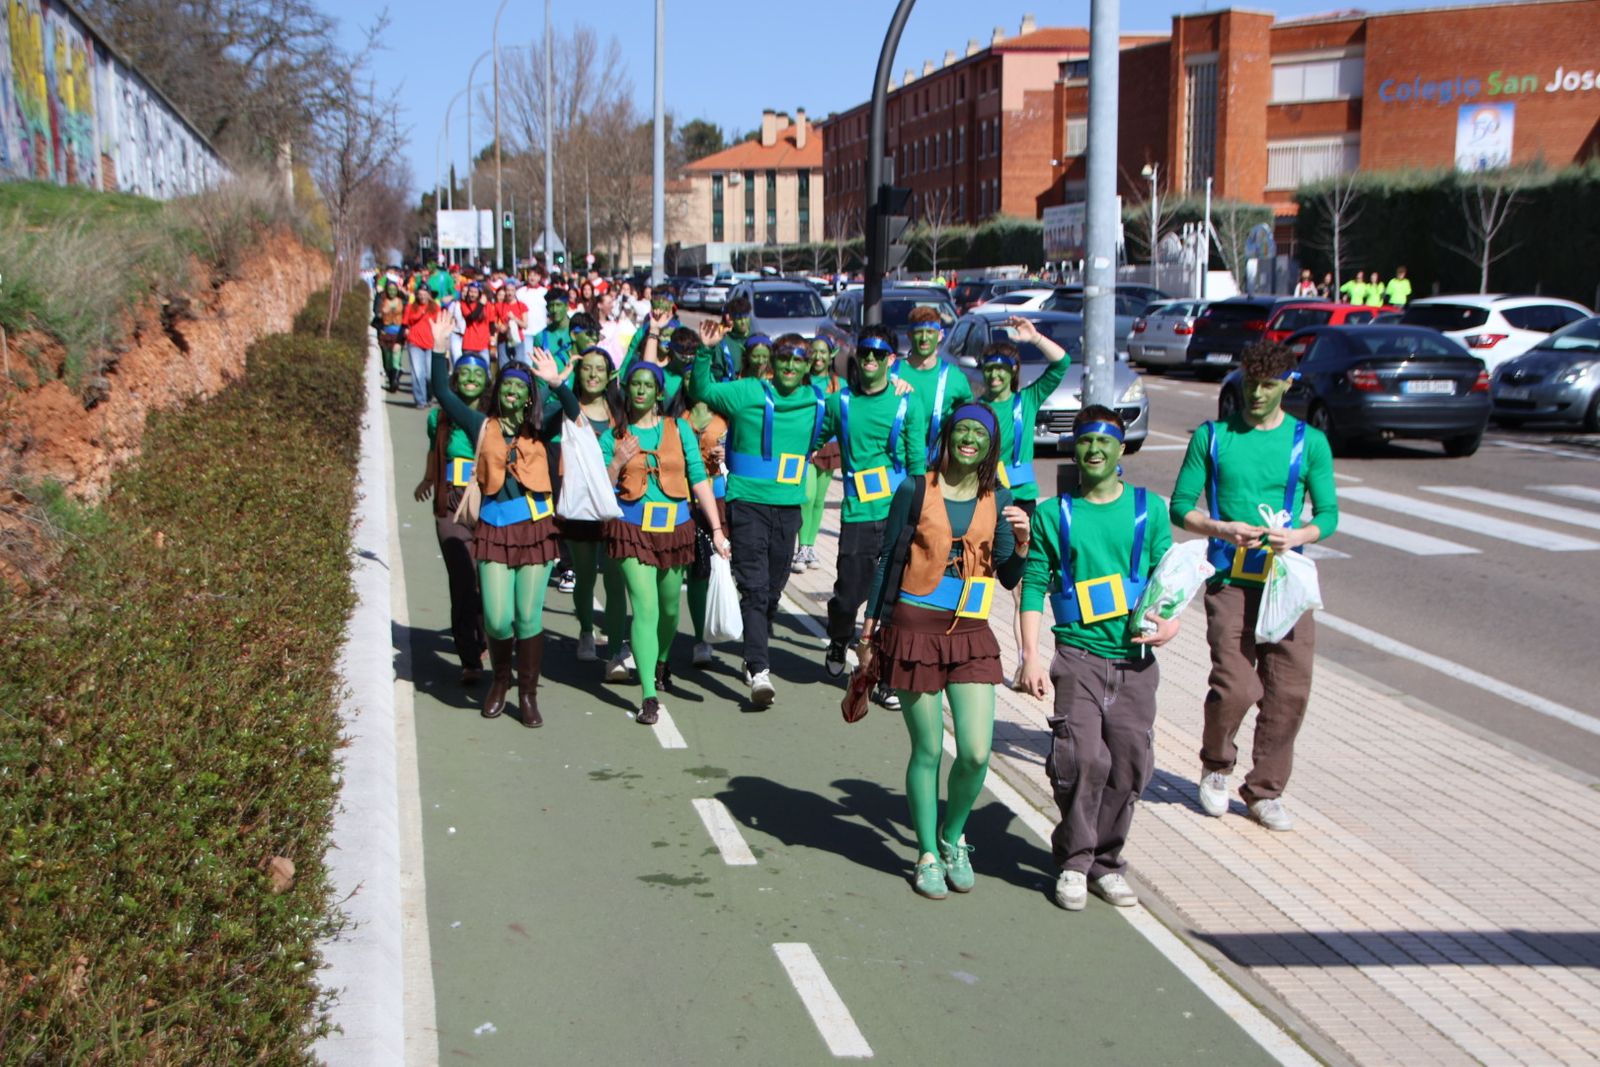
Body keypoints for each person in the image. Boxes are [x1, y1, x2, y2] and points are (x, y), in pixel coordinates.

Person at [858, 405, 1031, 899]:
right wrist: (872, 629)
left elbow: (1009, 575)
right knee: (929, 748)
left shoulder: (999, 497)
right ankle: (927, 854)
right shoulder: (915, 488)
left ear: (991, 444)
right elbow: (888, 559)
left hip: (972, 631)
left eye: (980, 433)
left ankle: (953, 836)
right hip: (914, 628)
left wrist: (1021, 544)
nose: (969, 440)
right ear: (948, 436)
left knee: (976, 752)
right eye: (962, 431)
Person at [1168, 341, 1339, 831]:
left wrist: (1300, 535)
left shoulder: (1310, 443)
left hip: (1286, 584)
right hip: (1230, 580)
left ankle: (1265, 790)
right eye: (1250, 383)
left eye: (1267, 385)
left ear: (1288, 383)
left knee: (1289, 692)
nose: (1256, 394)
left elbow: (1328, 514)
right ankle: (1216, 765)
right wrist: (1221, 528)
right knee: (1237, 686)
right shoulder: (1213, 437)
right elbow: (1180, 507)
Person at [1018, 406, 1179, 911]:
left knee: (1129, 767)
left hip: (1135, 662)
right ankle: (1074, 860)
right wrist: (1031, 657)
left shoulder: (1150, 510)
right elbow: (1033, 587)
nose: (1093, 450)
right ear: (1075, 448)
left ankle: (1107, 864)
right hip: (1078, 656)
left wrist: (1170, 623)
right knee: (1082, 759)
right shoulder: (1053, 513)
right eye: (1085, 441)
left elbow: (1168, 581)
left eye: (1104, 442)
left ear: (1122, 449)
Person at [431, 345, 580, 727]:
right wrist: (436, 348)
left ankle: (527, 696)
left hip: (535, 529)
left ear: (529, 394)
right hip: (493, 529)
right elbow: (444, 393)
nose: (511, 391)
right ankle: (500, 681)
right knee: (498, 620)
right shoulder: (481, 424)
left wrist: (556, 383)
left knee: (527, 618)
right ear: (497, 392)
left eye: (519, 386)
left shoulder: (541, 426)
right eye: (506, 385)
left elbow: (573, 412)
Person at [690, 322, 826, 707]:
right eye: (783, 358)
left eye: (798, 360)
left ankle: (758, 630)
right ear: (772, 363)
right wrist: (705, 350)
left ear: (808, 367)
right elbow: (702, 391)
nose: (789, 365)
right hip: (747, 502)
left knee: (773, 586)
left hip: (788, 507)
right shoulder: (747, 392)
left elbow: (853, 411)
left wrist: (900, 382)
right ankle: (759, 669)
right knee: (753, 585)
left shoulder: (817, 402)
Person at [601, 362, 729, 724]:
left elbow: (698, 477)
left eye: (648, 385)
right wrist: (616, 462)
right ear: (627, 390)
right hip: (631, 528)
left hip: (677, 529)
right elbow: (598, 486)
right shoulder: (615, 435)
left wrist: (717, 531)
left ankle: (660, 660)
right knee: (646, 607)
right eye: (634, 385)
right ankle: (649, 695)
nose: (640, 391)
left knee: (671, 610)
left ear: (659, 392)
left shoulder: (679, 428)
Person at [817, 324, 928, 710]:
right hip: (857, 513)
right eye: (864, 353)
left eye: (878, 355)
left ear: (890, 360)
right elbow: (810, 435)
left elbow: (917, 463)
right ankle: (839, 635)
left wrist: (920, 515)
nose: (869, 360)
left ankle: (882, 678)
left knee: (892, 602)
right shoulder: (840, 403)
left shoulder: (906, 402)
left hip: (897, 514)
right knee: (850, 597)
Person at [972, 318, 1071, 687]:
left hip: (1021, 503)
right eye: (990, 368)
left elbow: (1061, 364)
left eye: (1003, 368)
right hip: (984, 500)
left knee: (1020, 586)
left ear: (1014, 372)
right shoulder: (974, 408)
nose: (995, 375)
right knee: (979, 574)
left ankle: (1025, 662)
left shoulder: (1025, 400)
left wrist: (1034, 338)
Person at [414, 353, 491, 685]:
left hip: (487, 505)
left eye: (478, 374)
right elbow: (436, 450)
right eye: (464, 373)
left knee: (486, 582)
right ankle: (469, 658)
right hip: (451, 505)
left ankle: (486, 633)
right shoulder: (439, 417)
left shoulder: (494, 417)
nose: (471, 379)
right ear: (455, 378)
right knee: (462, 579)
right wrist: (428, 479)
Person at [560, 346, 629, 670]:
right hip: (580, 507)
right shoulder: (566, 410)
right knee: (585, 576)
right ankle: (587, 631)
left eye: (599, 369)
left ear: (610, 374)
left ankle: (616, 647)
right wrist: (557, 379)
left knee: (615, 579)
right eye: (586, 368)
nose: (592, 375)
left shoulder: (621, 412)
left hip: (616, 508)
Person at [682, 387, 730, 668]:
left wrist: (728, 452)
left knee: (726, 566)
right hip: (687, 499)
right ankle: (702, 639)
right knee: (698, 569)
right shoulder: (678, 416)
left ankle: (735, 631)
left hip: (722, 497)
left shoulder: (726, 415)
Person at [894, 305, 972, 461]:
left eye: (930, 332)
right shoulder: (892, 373)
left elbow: (968, 418)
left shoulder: (955, 377)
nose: (924, 338)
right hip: (898, 463)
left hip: (937, 464)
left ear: (940, 335)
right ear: (909, 335)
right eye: (918, 332)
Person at [795, 335, 844, 573]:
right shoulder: (802, 380)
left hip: (830, 446)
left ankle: (810, 546)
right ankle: (801, 547)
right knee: (807, 495)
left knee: (819, 500)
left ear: (832, 355)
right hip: (804, 444)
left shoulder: (839, 383)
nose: (819, 357)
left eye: (824, 352)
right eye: (814, 351)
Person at [402, 287, 449, 409]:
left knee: (429, 375)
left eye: (425, 294)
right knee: (418, 373)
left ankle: (428, 396)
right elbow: (405, 324)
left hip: (431, 344)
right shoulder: (410, 307)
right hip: (415, 343)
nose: (422, 297)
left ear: (429, 295)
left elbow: (441, 325)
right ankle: (420, 400)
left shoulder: (435, 308)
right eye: (420, 294)